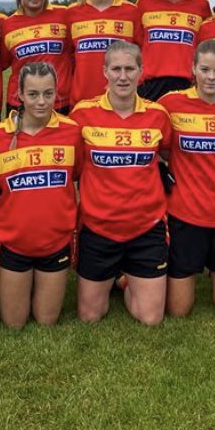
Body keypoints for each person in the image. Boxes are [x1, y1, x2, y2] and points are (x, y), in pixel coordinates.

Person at [71, 40, 172, 325]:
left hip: (146, 226)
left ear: (141, 71)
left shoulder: (158, 115)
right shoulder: (82, 114)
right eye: (116, 69)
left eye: (130, 68)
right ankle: (116, 275)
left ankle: (126, 280)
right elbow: (77, 167)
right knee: (90, 316)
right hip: (98, 227)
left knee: (150, 318)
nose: (123, 76)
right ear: (104, 71)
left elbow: (167, 154)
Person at [0, 62, 82, 328]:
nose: (41, 102)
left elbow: (76, 176)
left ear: (57, 93)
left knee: (46, 321)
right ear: (19, 94)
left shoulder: (72, 132)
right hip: (14, 243)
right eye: (33, 94)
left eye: (48, 94)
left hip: (55, 242)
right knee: (14, 323)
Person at [160, 40, 215, 317]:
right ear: (193, 69)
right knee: (178, 311)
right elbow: (157, 147)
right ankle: (132, 278)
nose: (211, 77)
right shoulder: (171, 104)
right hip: (185, 214)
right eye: (205, 69)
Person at [66, 0, 140, 106]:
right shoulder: (72, 13)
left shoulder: (131, 12)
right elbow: (67, 58)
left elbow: (141, 57)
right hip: (82, 102)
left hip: (120, 102)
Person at [135, 0, 212, 100]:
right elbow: (136, 46)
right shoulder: (144, 3)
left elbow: (205, 47)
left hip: (188, 86)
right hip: (150, 86)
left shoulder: (201, 5)